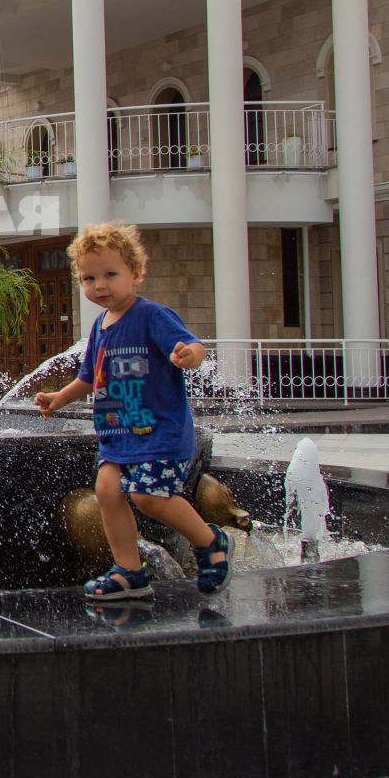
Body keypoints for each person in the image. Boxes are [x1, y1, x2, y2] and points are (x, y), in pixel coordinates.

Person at [34, 222, 230, 600]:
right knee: (107, 491)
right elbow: (89, 378)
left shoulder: (152, 317)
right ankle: (129, 570)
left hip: (158, 431)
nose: (100, 285)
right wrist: (58, 398)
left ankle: (209, 541)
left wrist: (188, 356)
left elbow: (193, 346)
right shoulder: (100, 329)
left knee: (148, 497)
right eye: (89, 278)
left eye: (110, 274)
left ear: (135, 273)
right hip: (118, 433)